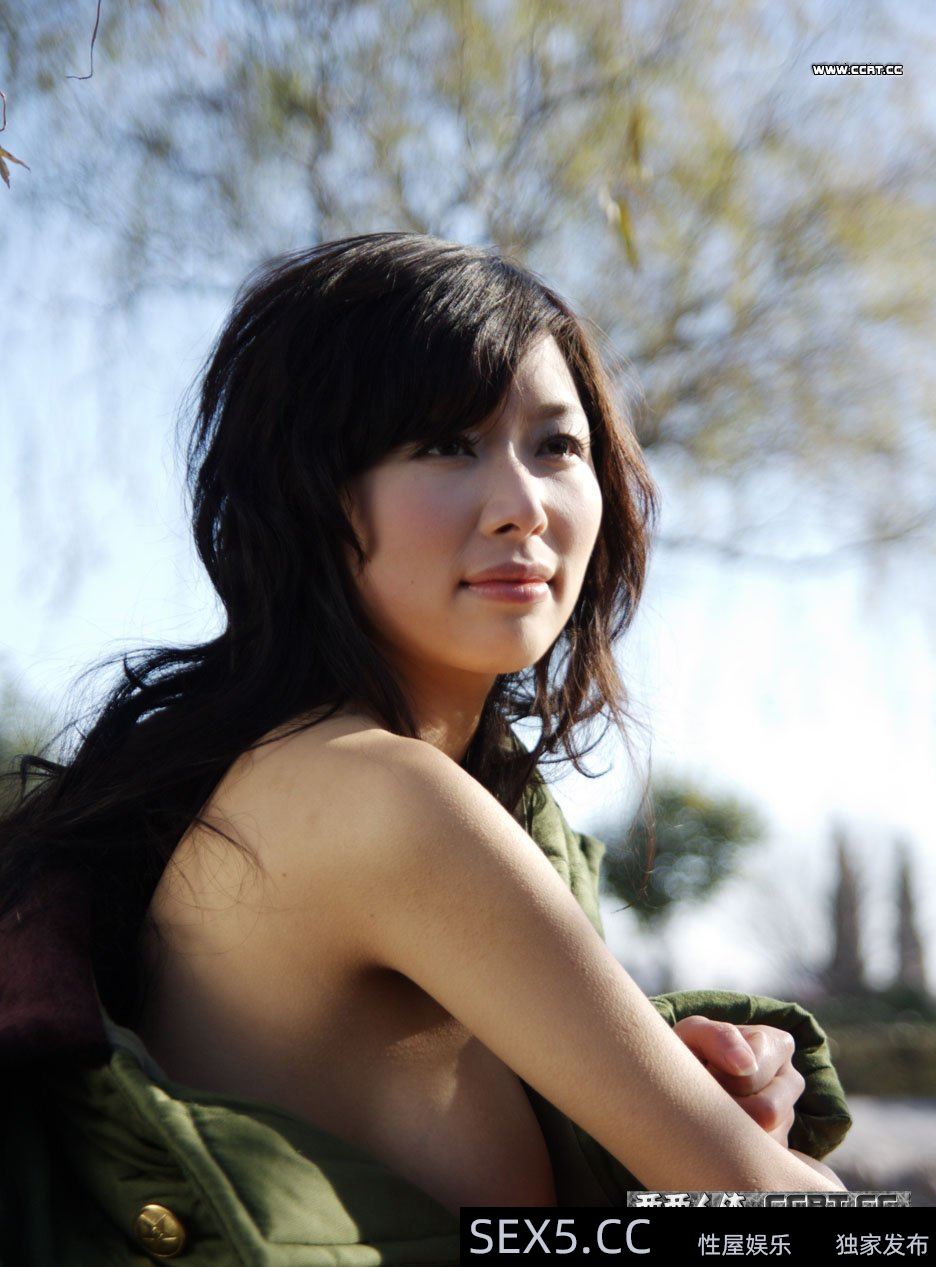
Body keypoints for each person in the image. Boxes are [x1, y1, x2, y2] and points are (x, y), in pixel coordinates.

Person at [0, 233, 848, 1261]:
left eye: (557, 446)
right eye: (446, 444)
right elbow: (769, 1213)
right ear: (307, 492)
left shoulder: (306, 781)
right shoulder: (374, 793)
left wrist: (669, 1085)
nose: (523, 506)